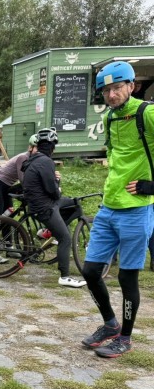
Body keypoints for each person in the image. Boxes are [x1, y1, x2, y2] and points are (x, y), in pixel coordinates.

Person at [81, 61, 154, 357]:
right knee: (90, 271)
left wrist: (152, 185)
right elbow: (112, 152)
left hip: (137, 210)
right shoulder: (110, 116)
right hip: (108, 207)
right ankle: (110, 324)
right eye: (106, 90)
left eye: (117, 88)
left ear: (131, 86)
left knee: (127, 277)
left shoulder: (147, 113)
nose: (111, 95)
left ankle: (125, 337)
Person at [20, 127, 86, 288]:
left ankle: (51, 231)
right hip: (45, 207)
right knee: (65, 238)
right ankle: (65, 277)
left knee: (73, 202)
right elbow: (52, 190)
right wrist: (57, 184)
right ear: (52, 147)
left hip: (40, 203)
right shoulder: (46, 161)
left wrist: (55, 182)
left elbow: (46, 184)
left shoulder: (35, 159)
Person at [0, 134, 37, 262]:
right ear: (30, 147)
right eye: (36, 148)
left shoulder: (34, 160)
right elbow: (23, 180)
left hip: (6, 188)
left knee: (9, 216)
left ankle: (8, 247)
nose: (38, 151)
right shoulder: (23, 158)